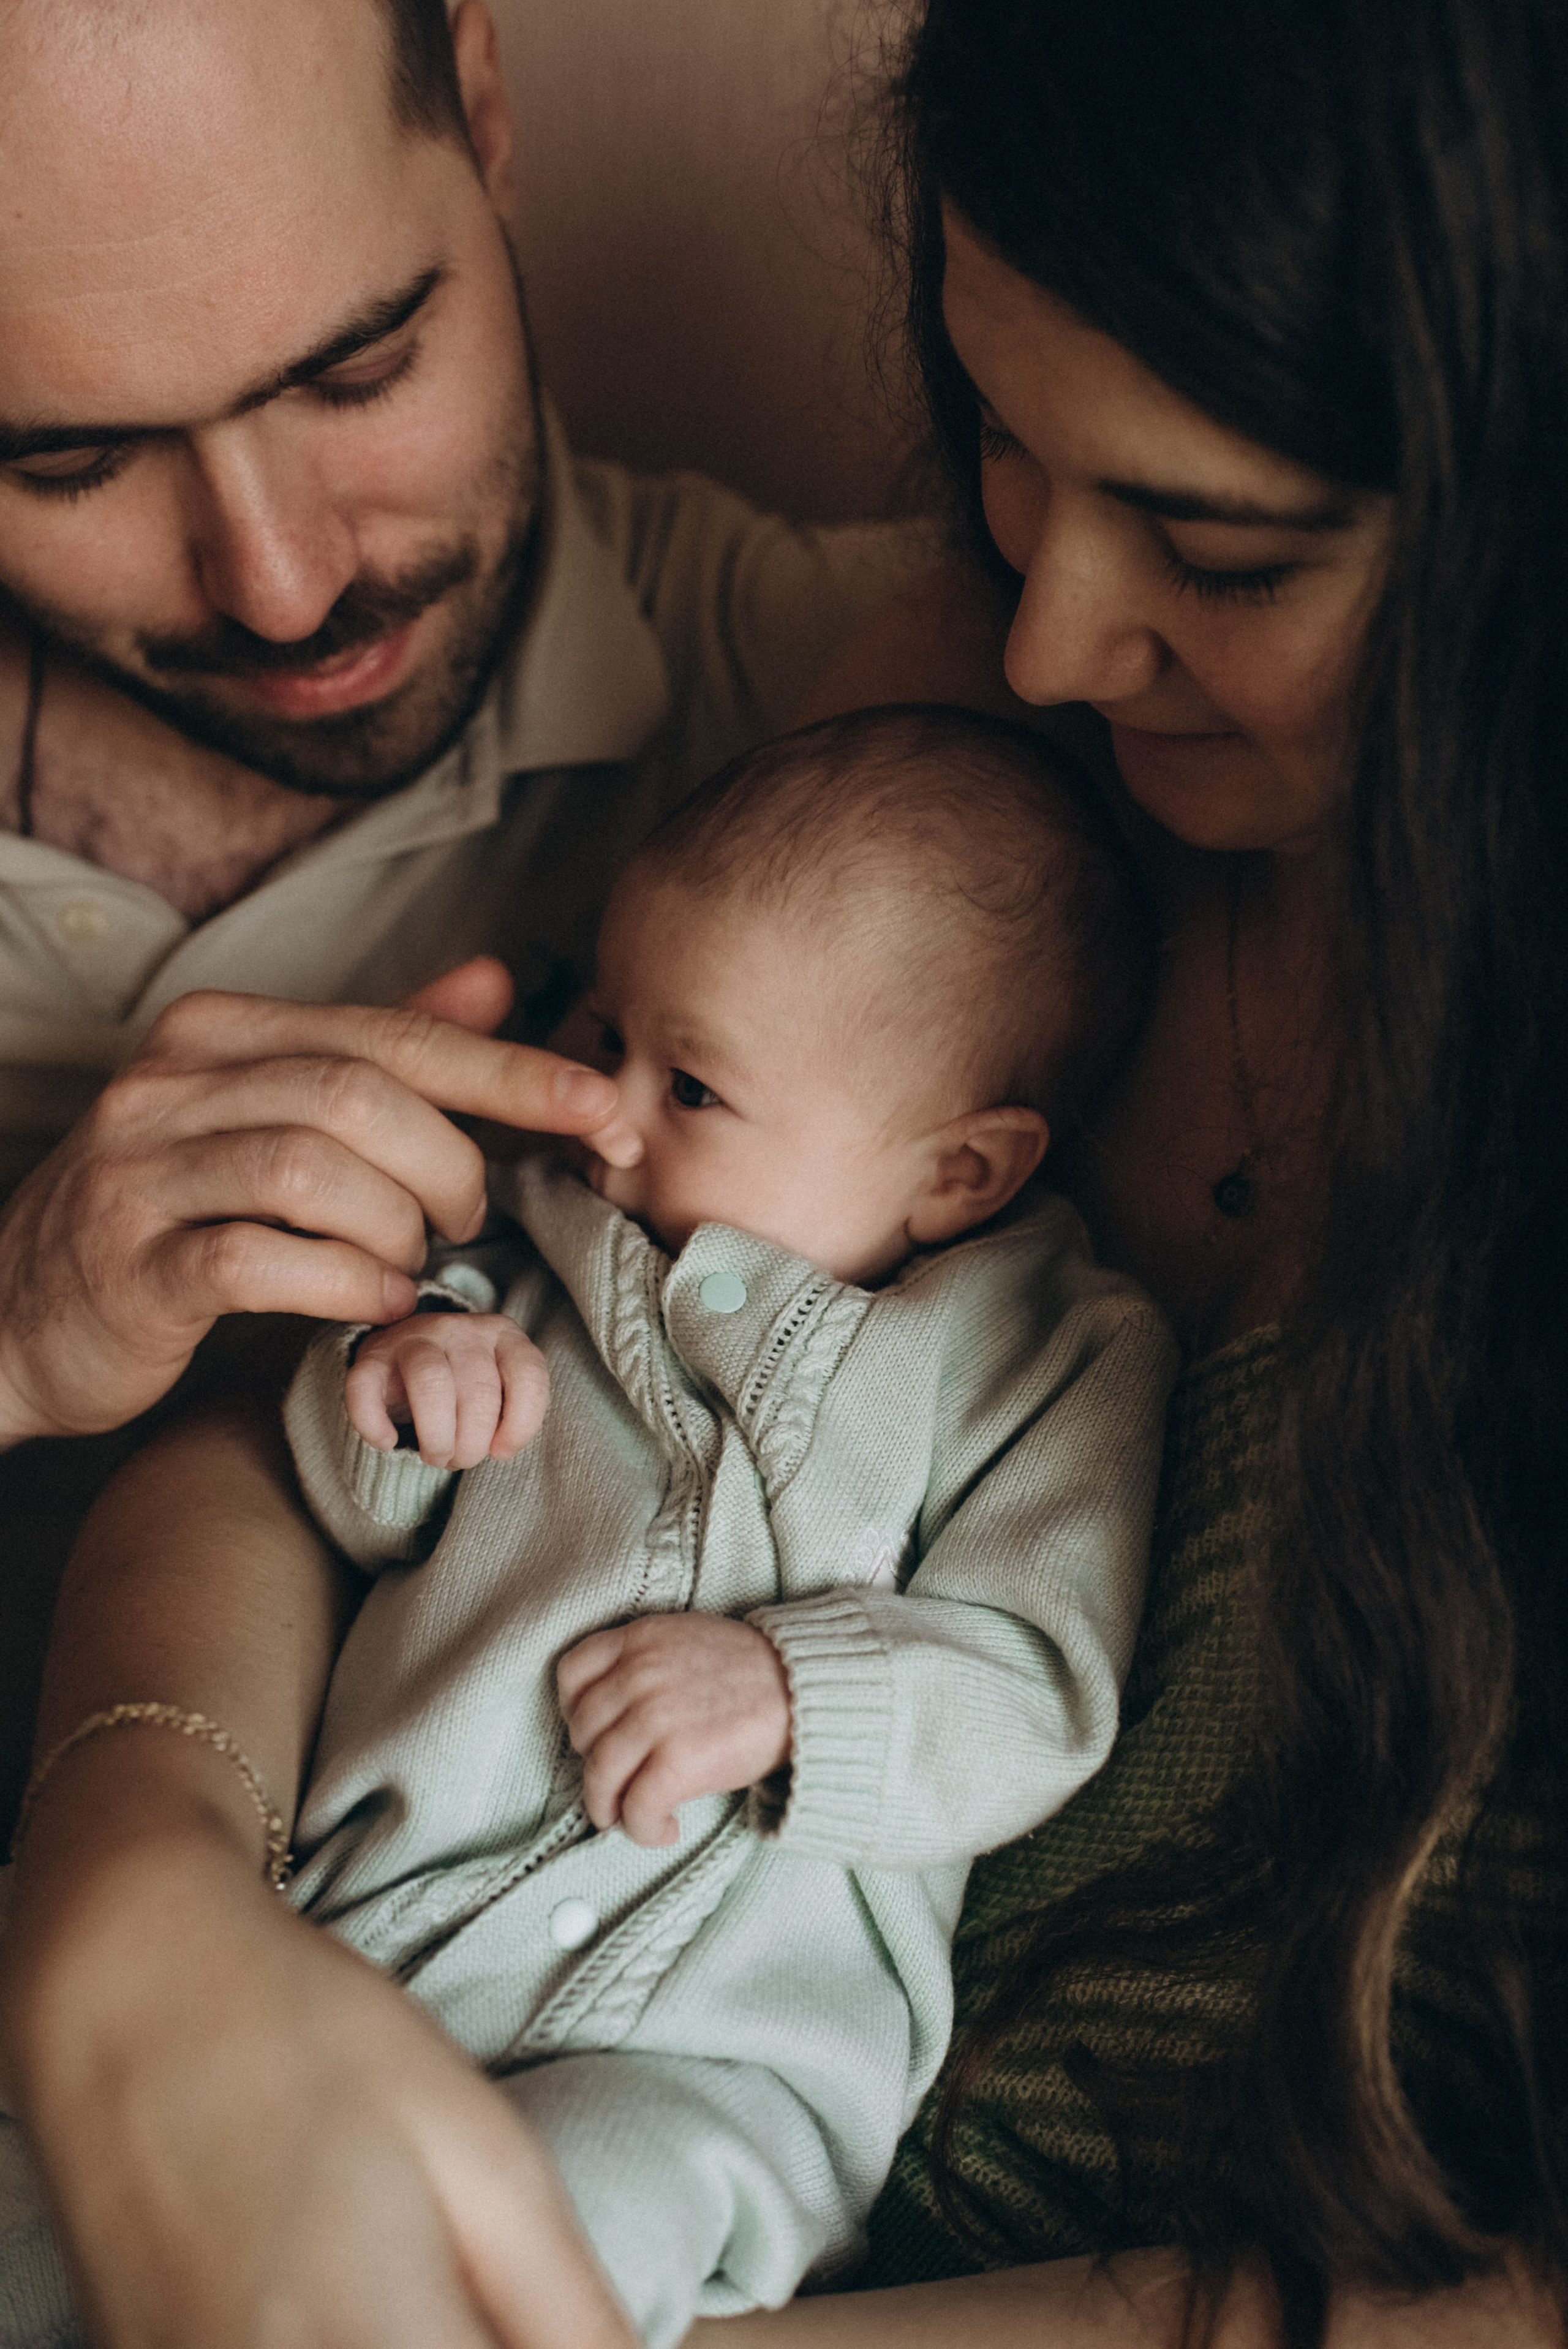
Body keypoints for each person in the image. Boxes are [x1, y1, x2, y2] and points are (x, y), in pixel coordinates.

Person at [1, 0, 1564, 2343]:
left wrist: (791, 1704)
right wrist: (133, 1904)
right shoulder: (921, 739)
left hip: (747, 2155)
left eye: (1224, 546)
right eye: (1004, 446)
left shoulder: (1058, 1347)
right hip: (369, 1955)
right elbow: (299, 1390)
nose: (1042, 633)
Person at [0, 0, 924, 1812]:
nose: (278, 583)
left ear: (487, 109)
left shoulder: (853, 723)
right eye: (66, 462)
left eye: (358, 370)